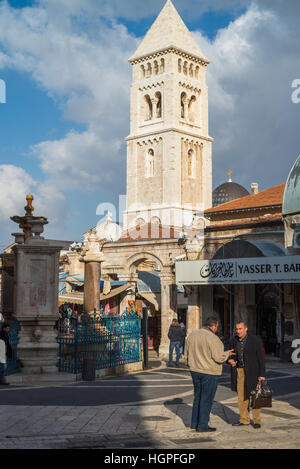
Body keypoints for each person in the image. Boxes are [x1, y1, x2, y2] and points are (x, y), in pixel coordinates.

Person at [185, 316, 235, 433]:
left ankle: (194, 423)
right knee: (206, 399)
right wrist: (227, 353)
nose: (217, 329)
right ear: (213, 326)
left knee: (198, 396)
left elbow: (186, 354)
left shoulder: (192, 335)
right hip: (209, 372)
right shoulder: (213, 338)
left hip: (195, 370)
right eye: (217, 327)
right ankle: (202, 425)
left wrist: (190, 365)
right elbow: (218, 357)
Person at [228, 319, 266, 429]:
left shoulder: (255, 340)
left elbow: (261, 358)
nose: (238, 331)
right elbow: (231, 354)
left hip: (253, 372)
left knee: (254, 396)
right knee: (241, 397)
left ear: (246, 329)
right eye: (237, 329)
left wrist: (262, 374)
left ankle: (257, 421)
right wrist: (230, 360)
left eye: (240, 329)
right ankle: (244, 419)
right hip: (239, 371)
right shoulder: (233, 340)